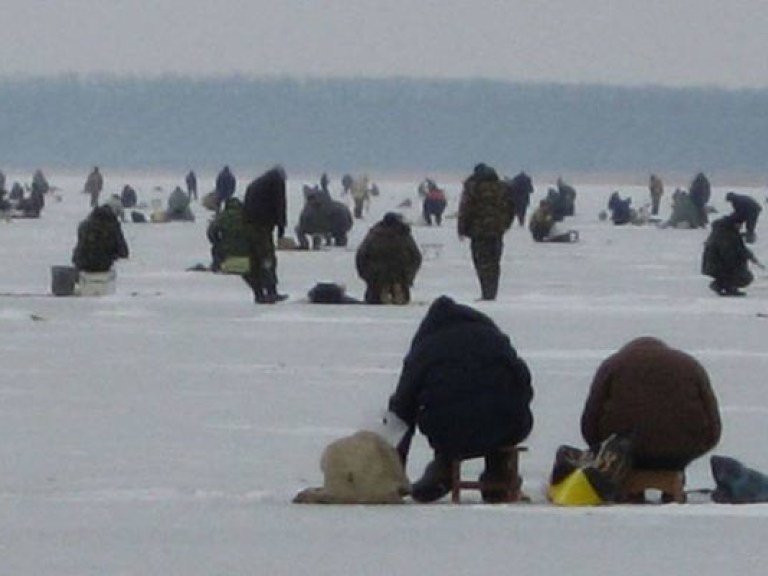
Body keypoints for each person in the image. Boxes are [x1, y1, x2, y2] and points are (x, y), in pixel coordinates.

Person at [386, 295, 534, 503]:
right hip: (508, 424)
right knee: (496, 411)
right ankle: (499, 470)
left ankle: (444, 467)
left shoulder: (427, 345)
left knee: (455, 415)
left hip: (449, 429)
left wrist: (394, 465)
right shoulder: (494, 338)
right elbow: (523, 382)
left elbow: (402, 405)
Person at [580, 337, 721, 501]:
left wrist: (603, 448)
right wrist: (698, 446)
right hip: (680, 451)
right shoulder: (690, 365)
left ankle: (631, 490)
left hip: (625, 449)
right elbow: (712, 419)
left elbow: (590, 419)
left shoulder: (612, 365)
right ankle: (672, 491)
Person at [457, 163, 513, 300]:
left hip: (478, 232)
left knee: (481, 262)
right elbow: (511, 208)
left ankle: (486, 292)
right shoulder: (502, 187)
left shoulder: (473, 186)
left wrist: (462, 228)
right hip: (497, 231)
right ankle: (491, 292)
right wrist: (505, 225)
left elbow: (466, 208)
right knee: (494, 262)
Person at [242, 166, 288, 303]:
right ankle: (271, 291)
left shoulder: (256, 184)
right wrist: (281, 226)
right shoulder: (276, 182)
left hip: (249, 225)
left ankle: (258, 293)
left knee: (254, 260)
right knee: (267, 259)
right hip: (262, 227)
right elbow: (280, 204)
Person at [355, 212, 422, 305]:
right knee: (400, 302)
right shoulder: (404, 235)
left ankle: (384, 293)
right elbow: (416, 257)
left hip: (376, 276)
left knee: (375, 301)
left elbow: (361, 256)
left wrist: (367, 276)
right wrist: (408, 276)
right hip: (400, 275)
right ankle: (397, 293)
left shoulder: (374, 235)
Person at [702, 213, 764, 296]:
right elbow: (728, 253)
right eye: (740, 224)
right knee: (744, 277)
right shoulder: (725, 234)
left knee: (743, 275)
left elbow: (740, 248)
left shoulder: (727, 232)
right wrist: (739, 264)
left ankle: (723, 284)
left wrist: (751, 258)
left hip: (717, 264)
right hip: (718, 264)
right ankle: (723, 285)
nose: (740, 227)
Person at [71, 204, 130, 273]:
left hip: (82, 264)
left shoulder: (84, 226)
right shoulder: (112, 228)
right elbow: (123, 252)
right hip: (103, 266)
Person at [207, 197, 250, 272]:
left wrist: (217, 242)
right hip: (246, 251)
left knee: (216, 249)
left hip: (226, 249)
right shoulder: (248, 217)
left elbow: (211, 232)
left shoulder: (223, 216)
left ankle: (217, 265)